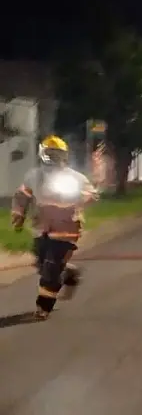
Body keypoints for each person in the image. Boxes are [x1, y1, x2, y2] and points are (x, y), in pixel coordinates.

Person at [10, 135, 98, 320]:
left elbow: (92, 193)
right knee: (42, 264)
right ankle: (68, 274)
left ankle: (43, 307)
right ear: (42, 153)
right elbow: (22, 195)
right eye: (50, 153)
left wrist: (80, 197)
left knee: (51, 268)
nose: (53, 157)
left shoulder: (74, 177)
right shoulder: (33, 176)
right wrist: (18, 214)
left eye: (57, 154)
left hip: (66, 230)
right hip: (41, 228)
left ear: (64, 156)